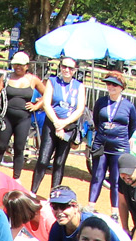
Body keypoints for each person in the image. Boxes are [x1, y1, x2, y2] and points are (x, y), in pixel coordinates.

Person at [87, 73, 136, 213]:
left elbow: (132, 125)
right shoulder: (101, 101)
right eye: (108, 84)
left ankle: (115, 211)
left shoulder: (128, 106)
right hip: (101, 144)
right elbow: (97, 120)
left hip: (119, 146)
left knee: (116, 179)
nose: (110, 87)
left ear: (122, 87)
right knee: (97, 175)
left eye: (114, 84)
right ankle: (91, 205)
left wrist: (121, 136)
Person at [0, 51, 38, 186]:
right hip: (6, 117)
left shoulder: (33, 79)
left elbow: (47, 94)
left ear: (27, 66)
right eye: (15, 64)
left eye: (21, 65)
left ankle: (16, 177)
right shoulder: (6, 77)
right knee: (1, 145)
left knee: (19, 147)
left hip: (24, 119)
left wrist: (37, 105)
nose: (18, 67)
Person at [38, 56, 84, 192]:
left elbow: (80, 108)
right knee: (43, 160)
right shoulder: (53, 81)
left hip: (68, 127)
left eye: (70, 68)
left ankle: (54, 193)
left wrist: (64, 123)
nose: (66, 70)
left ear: (75, 70)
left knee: (59, 162)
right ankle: (33, 192)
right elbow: (46, 103)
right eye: (64, 66)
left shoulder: (79, 86)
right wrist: (56, 122)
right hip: (51, 124)